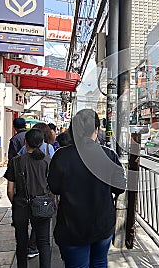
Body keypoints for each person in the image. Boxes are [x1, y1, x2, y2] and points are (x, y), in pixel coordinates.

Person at [48, 109, 126, 268]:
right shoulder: (109, 155)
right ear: (96, 130)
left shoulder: (61, 156)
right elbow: (120, 188)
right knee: (99, 263)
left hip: (72, 226)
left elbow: (54, 188)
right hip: (102, 225)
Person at [5, 128, 52, 268]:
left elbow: (9, 190)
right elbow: (53, 189)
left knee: (21, 243)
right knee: (43, 243)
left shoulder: (16, 161)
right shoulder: (47, 161)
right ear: (42, 142)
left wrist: (16, 202)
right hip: (42, 205)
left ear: (25, 142)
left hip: (21, 206)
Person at [18, 122, 55, 259]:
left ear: (26, 140)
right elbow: (53, 173)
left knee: (21, 239)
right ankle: (33, 248)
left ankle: (28, 250)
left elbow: (14, 179)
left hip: (23, 198)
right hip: (43, 197)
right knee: (44, 239)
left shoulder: (22, 152)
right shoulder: (49, 150)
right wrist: (51, 196)